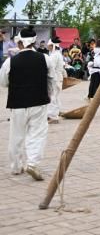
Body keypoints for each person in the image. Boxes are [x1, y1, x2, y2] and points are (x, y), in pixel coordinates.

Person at [0, 28, 54, 180]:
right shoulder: (45, 59)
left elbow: (3, 82)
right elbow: (51, 79)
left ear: (19, 43)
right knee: (37, 134)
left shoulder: (10, 61)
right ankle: (32, 163)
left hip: (17, 103)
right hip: (39, 102)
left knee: (16, 136)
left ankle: (16, 167)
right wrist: (48, 94)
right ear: (34, 42)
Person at [46, 38, 66, 124]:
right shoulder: (57, 54)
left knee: (52, 97)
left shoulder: (54, 55)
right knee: (56, 96)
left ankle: (53, 116)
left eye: (49, 45)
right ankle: (56, 112)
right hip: (57, 78)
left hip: (54, 78)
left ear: (52, 46)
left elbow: (51, 67)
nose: (48, 46)